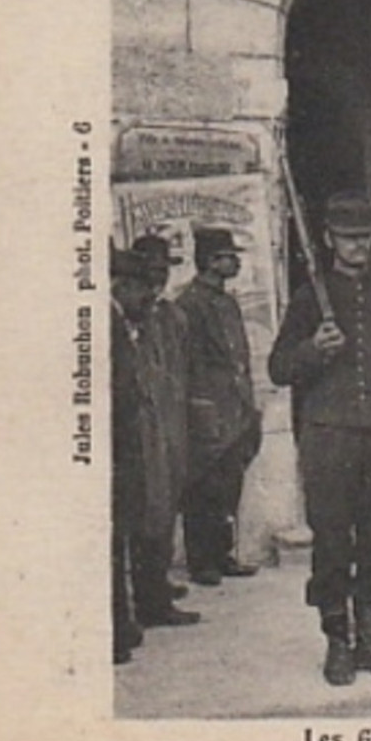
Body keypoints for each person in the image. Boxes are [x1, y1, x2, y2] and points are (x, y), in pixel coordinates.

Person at [269, 191, 371, 687]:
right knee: (333, 541)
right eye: (348, 237)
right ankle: (337, 643)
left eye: (365, 237)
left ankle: (370, 641)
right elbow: (278, 368)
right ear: (329, 240)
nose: (358, 247)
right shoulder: (308, 299)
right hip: (328, 437)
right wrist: (313, 349)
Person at [174, 227, 262, 587]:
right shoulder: (189, 305)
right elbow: (188, 365)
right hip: (208, 410)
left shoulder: (227, 301)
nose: (236, 261)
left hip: (235, 407)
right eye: (229, 256)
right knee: (203, 487)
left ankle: (222, 554)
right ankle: (202, 561)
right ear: (211, 261)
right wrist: (201, 409)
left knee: (228, 484)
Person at [126, 234, 201, 627]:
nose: (158, 277)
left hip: (171, 427)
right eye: (151, 270)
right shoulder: (130, 320)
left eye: (163, 269)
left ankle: (156, 583)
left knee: (167, 504)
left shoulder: (172, 317)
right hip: (143, 432)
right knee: (148, 511)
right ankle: (150, 598)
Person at [111, 247, 160, 663]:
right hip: (113, 450)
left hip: (124, 446)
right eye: (142, 289)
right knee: (111, 542)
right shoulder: (105, 324)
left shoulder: (120, 321)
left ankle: (122, 625)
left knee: (118, 537)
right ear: (121, 286)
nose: (148, 297)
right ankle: (115, 633)